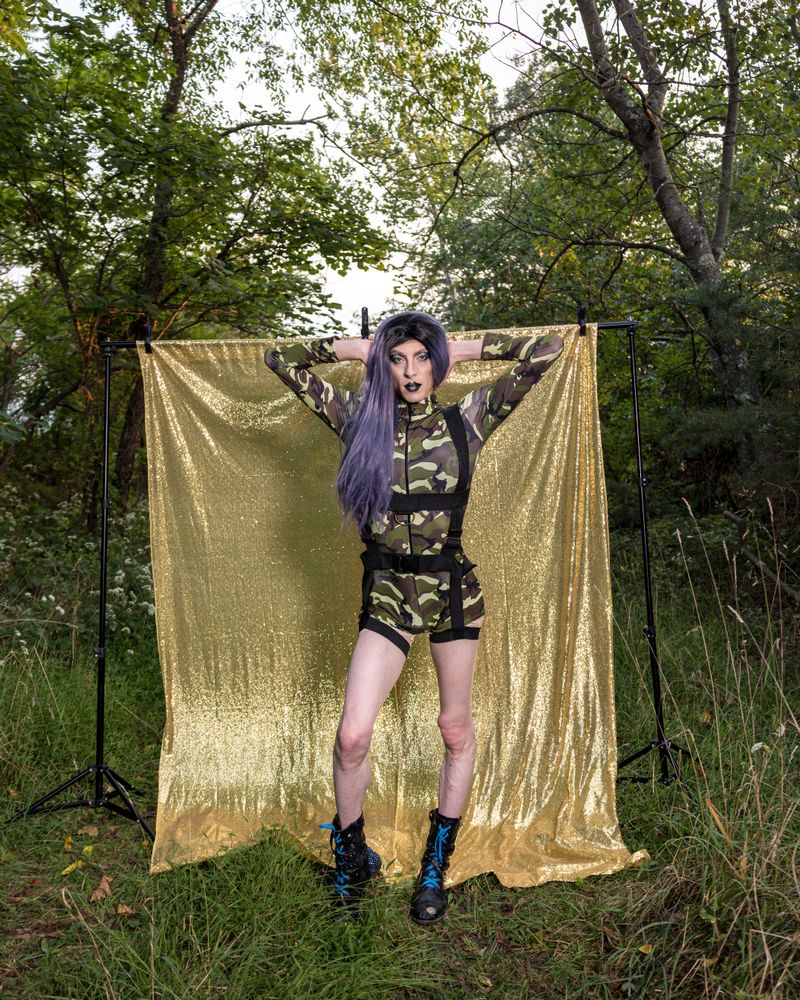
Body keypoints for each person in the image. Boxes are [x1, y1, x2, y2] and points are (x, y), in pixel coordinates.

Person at [264, 312, 563, 924]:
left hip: (452, 590)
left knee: (454, 729)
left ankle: (437, 864)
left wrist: (450, 345)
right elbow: (280, 358)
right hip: (388, 595)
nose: (410, 372)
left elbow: (546, 349)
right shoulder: (357, 422)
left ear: (439, 363)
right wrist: (368, 350)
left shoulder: (467, 420)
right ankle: (352, 859)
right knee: (351, 735)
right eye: (397, 361)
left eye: (421, 359)